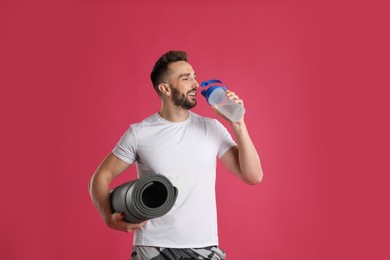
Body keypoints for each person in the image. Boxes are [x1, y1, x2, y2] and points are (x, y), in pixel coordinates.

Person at [89, 50, 263, 259]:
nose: (196, 84)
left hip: (203, 245)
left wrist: (238, 123)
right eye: (185, 78)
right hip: (152, 247)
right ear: (165, 89)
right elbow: (100, 178)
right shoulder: (140, 133)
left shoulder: (212, 128)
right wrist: (108, 217)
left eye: (194, 77)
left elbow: (253, 176)